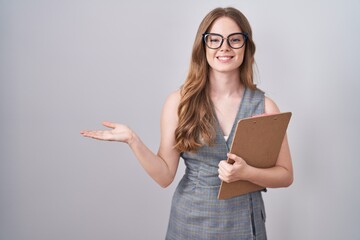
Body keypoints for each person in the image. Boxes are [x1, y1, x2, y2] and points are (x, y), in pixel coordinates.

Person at [81, 7, 293, 240]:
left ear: (246, 46)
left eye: (234, 40)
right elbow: (164, 176)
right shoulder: (179, 103)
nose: (224, 47)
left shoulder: (265, 106)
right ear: (203, 46)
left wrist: (247, 173)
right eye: (214, 40)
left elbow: (285, 175)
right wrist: (133, 140)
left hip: (245, 226)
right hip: (191, 225)